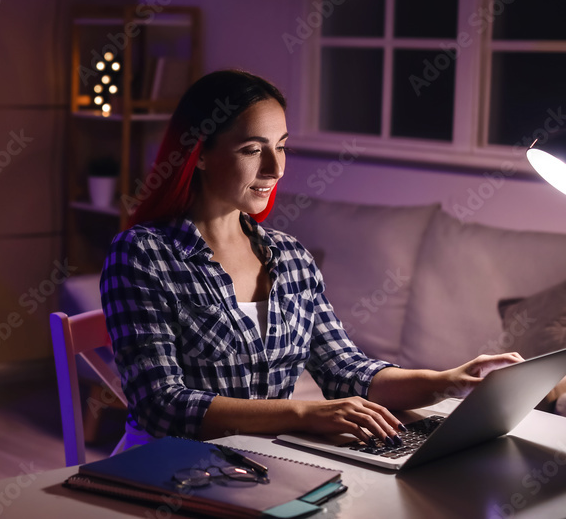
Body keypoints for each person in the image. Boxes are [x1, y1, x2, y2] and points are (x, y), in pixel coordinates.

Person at [100, 69, 522, 447]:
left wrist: (451, 382)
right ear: (201, 153)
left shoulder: (289, 257)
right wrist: (305, 414)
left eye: (281, 147)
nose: (275, 169)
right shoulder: (142, 254)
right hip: (166, 467)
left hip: (265, 463)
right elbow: (162, 404)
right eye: (252, 149)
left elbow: (345, 369)